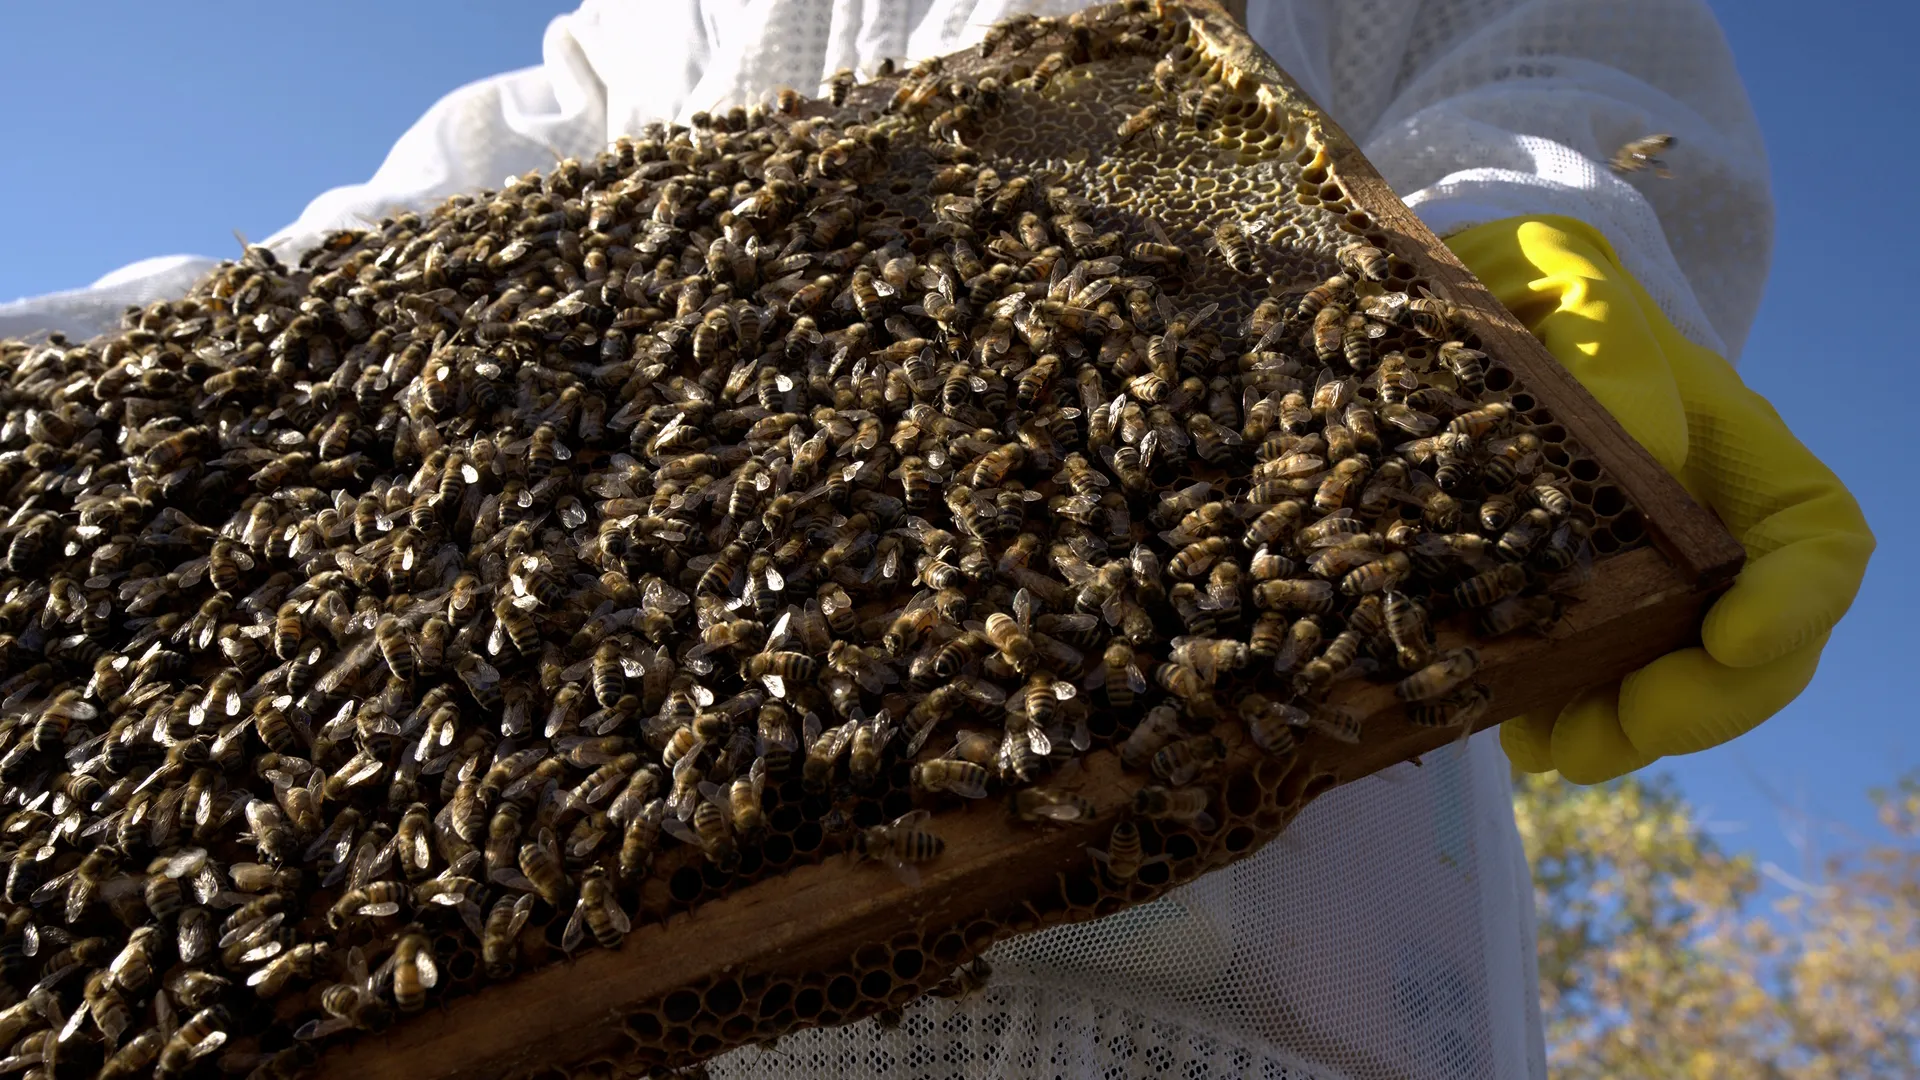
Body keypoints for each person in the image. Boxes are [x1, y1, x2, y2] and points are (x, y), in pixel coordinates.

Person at [0, 2, 1873, 1077]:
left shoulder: (1205, 88)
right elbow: (358, 278)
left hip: (1246, 858)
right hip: (614, 797)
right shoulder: (667, 22)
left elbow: (1568, 64)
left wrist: (1538, 238)